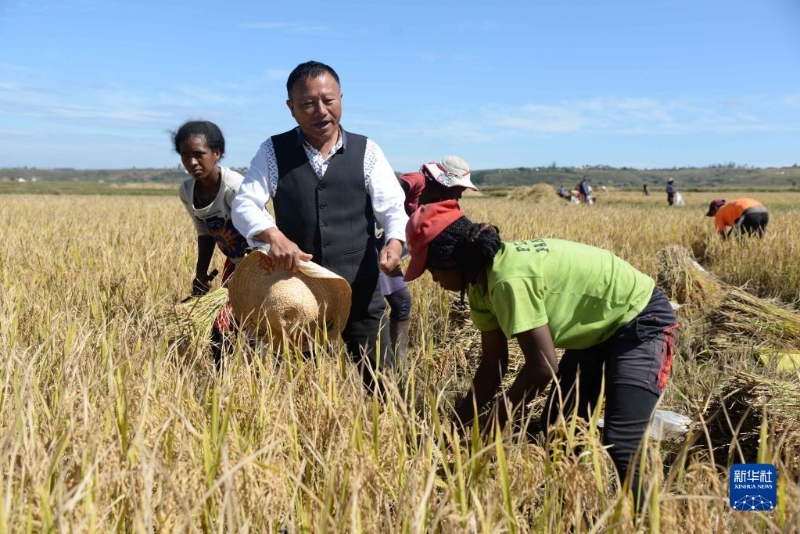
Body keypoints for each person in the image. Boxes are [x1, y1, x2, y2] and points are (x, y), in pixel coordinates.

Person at [404, 201, 680, 508]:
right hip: (592, 329)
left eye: (431, 269)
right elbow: (492, 367)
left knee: (623, 440)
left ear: (452, 260)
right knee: (560, 428)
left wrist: (490, 430)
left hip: (639, 320)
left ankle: (650, 520)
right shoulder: (480, 287)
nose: (433, 279)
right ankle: (574, 508)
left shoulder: (508, 279)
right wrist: (450, 431)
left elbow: (542, 368)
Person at [231, 61, 408, 391]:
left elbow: (394, 210)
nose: (321, 111)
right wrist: (272, 235)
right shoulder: (273, 151)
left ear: (341, 98)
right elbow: (244, 204)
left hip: (361, 289)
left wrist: (395, 243)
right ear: (291, 109)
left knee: (381, 388)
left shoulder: (367, 151)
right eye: (308, 104)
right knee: (299, 390)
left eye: (328, 100)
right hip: (298, 295)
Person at [376, 155, 479, 367]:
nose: (460, 194)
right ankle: (389, 363)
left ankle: (397, 363)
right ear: (444, 182)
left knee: (399, 303)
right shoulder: (417, 181)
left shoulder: (438, 204)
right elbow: (384, 193)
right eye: (459, 188)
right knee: (385, 303)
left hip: (389, 253)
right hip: (374, 247)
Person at [173, 120, 249, 366]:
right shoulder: (187, 190)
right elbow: (204, 232)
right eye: (185, 156)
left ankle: (255, 376)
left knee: (249, 323)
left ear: (216, 153)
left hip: (261, 262)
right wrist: (200, 273)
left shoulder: (234, 187)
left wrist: (246, 276)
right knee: (222, 325)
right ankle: (222, 379)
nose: (192, 162)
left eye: (199, 154)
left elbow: (262, 231)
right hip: (234, 262)